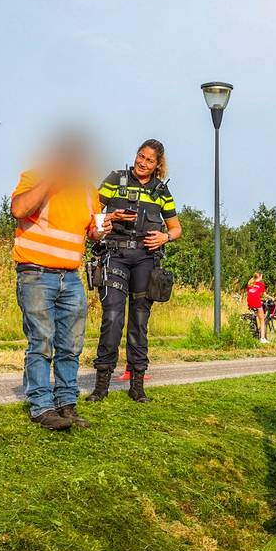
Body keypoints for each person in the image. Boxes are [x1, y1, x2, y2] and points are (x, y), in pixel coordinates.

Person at [9, 132, 105, 430]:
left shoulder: (89, 190)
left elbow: (93, 230)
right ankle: (41, 406)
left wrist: (102, 229)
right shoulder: (34, 177)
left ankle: (67, 404)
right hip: (35, 274)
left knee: (71, 344)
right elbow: (18, 210)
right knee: (42, 341)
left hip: (71, 277)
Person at [86, 139, 182, 403]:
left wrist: (165, 238)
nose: (142, 162)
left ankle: (137, 387)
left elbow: (176, 228)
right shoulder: (116, 178)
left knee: (139, 322)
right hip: (115, 255)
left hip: (145, 260)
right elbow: (91, 211)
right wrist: (110, 218)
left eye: (149, 160)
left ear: (157, 165)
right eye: (141, 156)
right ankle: (101, 386)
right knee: (113, 318)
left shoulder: (161, 191)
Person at [247, 272, 272, 343]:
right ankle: (262, 339)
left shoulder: (250, 284)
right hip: (256, 303)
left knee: (256, 316)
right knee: (262, 320)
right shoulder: (261, 284)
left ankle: (255, 331)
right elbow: (264, 295)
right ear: (260, 277)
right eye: (262, 277)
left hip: (250, 303)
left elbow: (251, 294)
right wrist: (272, 298)